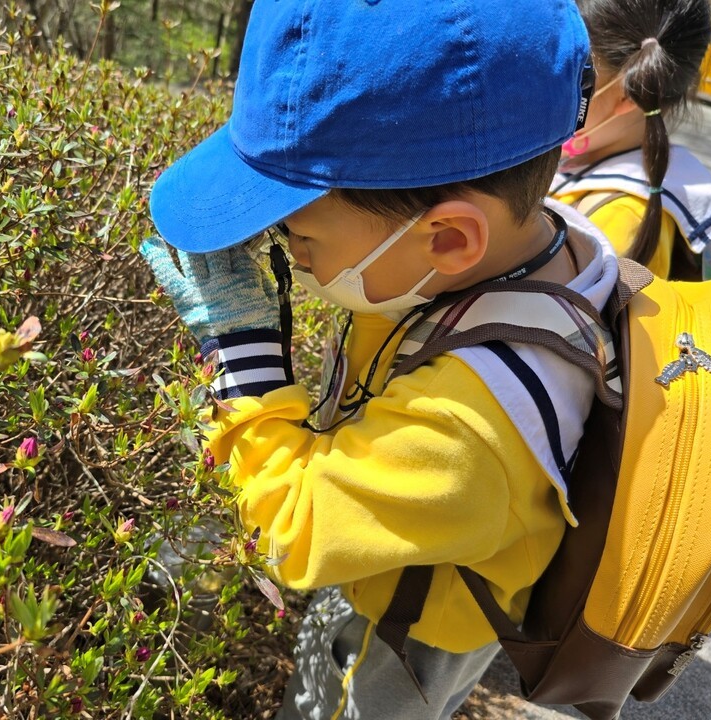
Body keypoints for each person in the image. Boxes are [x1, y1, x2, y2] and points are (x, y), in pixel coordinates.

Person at [141, 2, 615, 718]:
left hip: (404, 642)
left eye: (299, 238)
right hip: (403, 556)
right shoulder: (534, 236)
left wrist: (241, 349)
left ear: (451, 239)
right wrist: (326, 242)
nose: (288, 255)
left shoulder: (477, 429)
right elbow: (389, 261)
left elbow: (291, 531)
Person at [551, 0, 711, 287]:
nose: (548, 82)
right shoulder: (657, 176)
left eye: (571, 70)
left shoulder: (619, 216)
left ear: (630, 92)